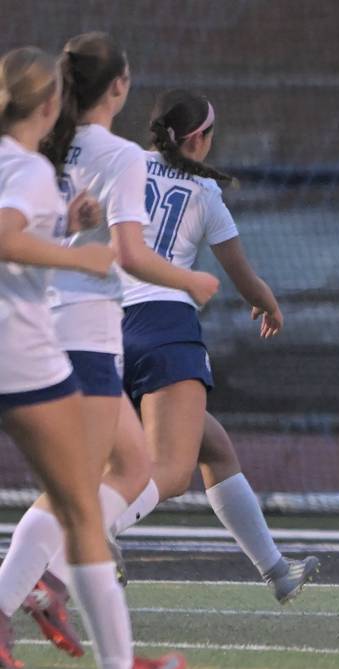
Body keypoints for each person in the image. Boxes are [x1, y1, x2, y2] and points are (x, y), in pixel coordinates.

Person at [0, 31, 212, 664]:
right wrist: (192, 279)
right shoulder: (117, 153)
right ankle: (28, 595)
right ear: (119, 86)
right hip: (81, 332)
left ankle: (45, 584)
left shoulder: (45, 150)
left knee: (132, 465)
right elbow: (128, 255)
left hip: (54, 325)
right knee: (74, 495)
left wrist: (68, 228)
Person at [115, 88, 319, 601]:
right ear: (200, 139)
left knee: (215, 448)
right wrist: (269, 305)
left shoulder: (123, 162)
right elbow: (243, 276)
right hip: (164, 328)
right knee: (171, 471)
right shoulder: (206, 194)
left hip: (102, 326)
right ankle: (99, 528)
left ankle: (277, 572)